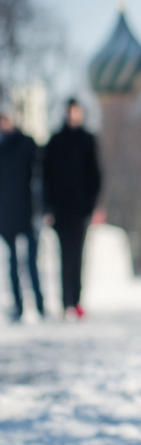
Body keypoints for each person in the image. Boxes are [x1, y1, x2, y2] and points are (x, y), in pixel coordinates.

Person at [43, 98, 102, 320]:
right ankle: (64, 302)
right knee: (63, 255)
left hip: (81, 208)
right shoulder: (55, 141)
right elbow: (47, 178)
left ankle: (76, 301)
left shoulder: (88, 140)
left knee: (78, 255)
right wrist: (48, 208)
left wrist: (94, 205)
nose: (72, 115)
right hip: (60, 208)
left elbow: (95, 175)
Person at [0, 109, 44, 322]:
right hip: (5, 214)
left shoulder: (27, 143)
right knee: (12, 262)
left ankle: (40, 305)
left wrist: (41, 207)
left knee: (32, 261)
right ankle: (17, 306)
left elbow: (40, 176)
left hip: (28, 211)